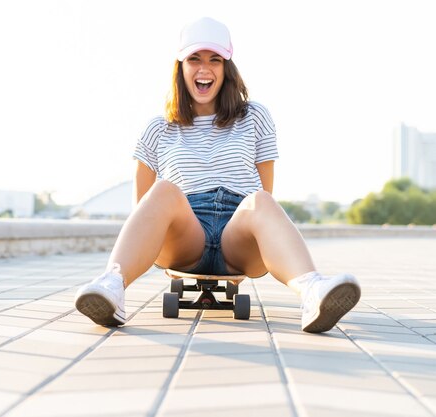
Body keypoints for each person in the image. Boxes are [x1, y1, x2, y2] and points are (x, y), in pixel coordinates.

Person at [74, 17, 361, 333]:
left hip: (237, 232)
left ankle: (313, 291)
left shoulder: (255, 116)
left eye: (214, 60)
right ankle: (112, 287)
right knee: (163, 190)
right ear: (180, 67)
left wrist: (253, 224)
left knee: (260, 201)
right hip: (186, 232)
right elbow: (143, 207)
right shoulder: (158, 128)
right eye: (194, 59)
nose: (204, 68)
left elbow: (266, 190)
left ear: (227, 68)